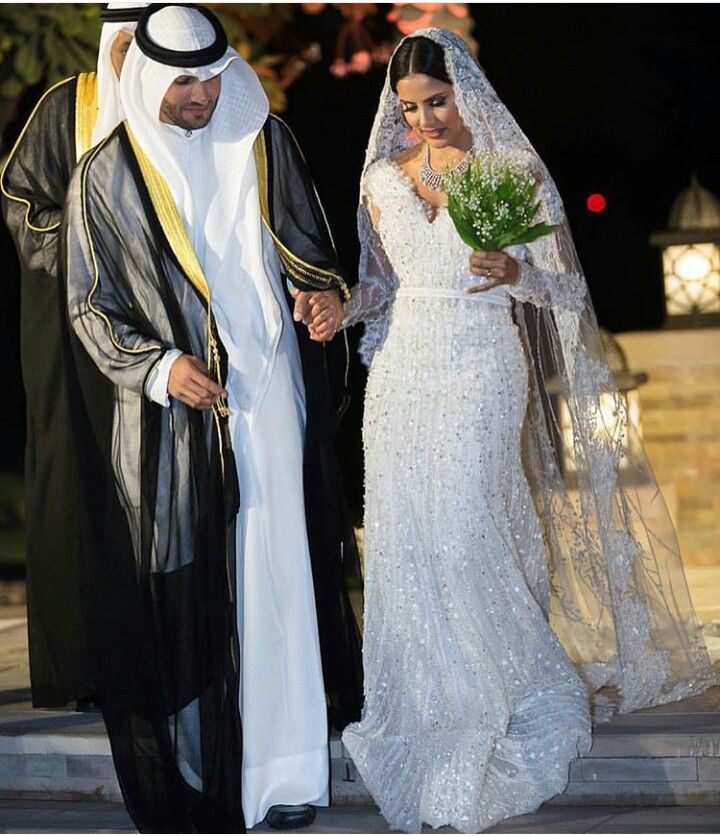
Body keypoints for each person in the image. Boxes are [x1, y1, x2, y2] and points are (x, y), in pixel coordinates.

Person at [307, 29, 719, 833]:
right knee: (405, 536)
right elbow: (379, 287)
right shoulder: (383, 179)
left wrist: (515, 271)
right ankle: (430, 690)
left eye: (437, 102)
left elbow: (566, 293)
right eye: (410, 108)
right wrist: (338, 309)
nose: (424, 119)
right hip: (402, 376)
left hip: (481, 364)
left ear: (466, 90)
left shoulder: (510, 174)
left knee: (464, 527)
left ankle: (498, 686)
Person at [62, 5, 362, 832]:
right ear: (152, 78)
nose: (200, 97)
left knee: (281, 581)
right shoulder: (105, 175)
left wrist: (324, 297)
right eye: (184, 82)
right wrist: (161, 368)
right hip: (177, 421)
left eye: (210, 78)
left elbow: (309, 250)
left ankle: (288, 777)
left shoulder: (265, 144)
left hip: (269, 400)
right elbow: (90, 307)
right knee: (198, 589)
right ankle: (207, 782)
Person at [0, 2, 146, 709]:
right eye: (126, 42)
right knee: (77, 481)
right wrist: (93, 244)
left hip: (162, 339)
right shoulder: (71, 103)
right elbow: (20, 196)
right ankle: (81, 668)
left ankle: (166, 658)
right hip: (70, 335)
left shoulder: (188, 116)